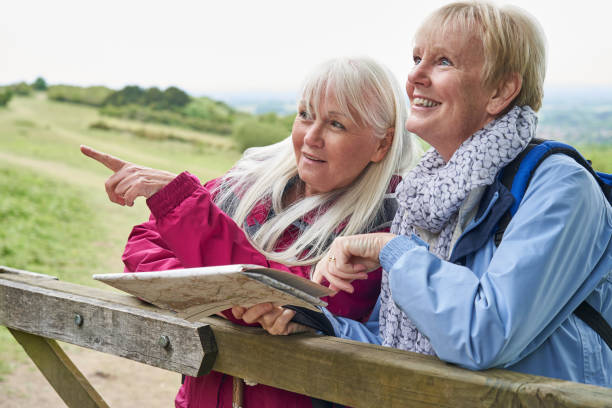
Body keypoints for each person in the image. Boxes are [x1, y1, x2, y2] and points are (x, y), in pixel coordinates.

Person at [243, 2, 612, 387]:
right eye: (417, 57)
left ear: (501, 91)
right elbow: (396, 344)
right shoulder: (426, 194)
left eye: (444, 62)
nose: (415, 76)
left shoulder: (558, 187)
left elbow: (483, 336)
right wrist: (316, 323)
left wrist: (392, 251)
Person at [81, 57, 421, 406]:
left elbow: (292, 301)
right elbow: (144, 246)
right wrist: (212, 292)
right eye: (305, 115)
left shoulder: (385, 229)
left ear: (382, 144)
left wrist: (204, 283)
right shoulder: (249, 183)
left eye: (336, 124)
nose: (311, 137)